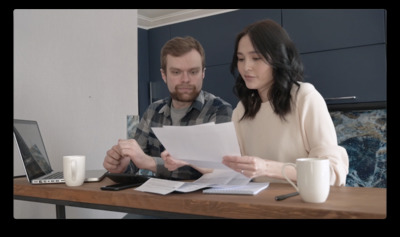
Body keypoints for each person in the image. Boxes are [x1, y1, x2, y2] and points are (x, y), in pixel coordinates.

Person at [163, 19, 349, 186]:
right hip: (261, 207)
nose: (246, 67)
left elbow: (333, 171)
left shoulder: (304, 97)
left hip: (302, 208)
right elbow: (232, 170)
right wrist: (186, 158)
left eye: (256, 58)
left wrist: (266, 167)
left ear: (278, 58)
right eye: (241, 59)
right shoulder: (242, 110)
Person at [103, 36, 233, 180]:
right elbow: (136, 162)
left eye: (193, 72)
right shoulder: (153, 111)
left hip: (202, 202)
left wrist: (150, 162)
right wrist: (123, 165)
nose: (185, 79)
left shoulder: (219, 110)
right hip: (158, 200)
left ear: (203, 73)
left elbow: (220, 170)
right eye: (176, 72)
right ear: (164, 75)